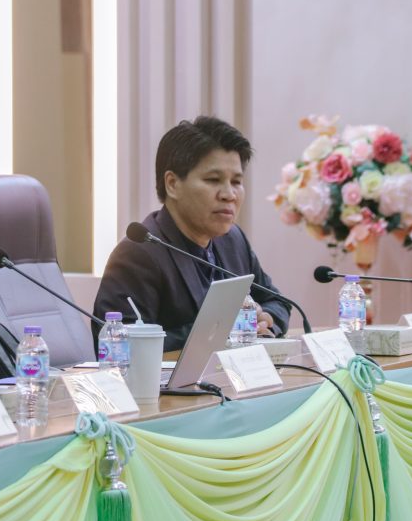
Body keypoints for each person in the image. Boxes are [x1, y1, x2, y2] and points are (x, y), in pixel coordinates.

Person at [93, 116, 290, 352]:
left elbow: (278, 302)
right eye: (213, 180)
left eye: (236, 181)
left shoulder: (233, 241)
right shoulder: (139, 253)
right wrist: (221, 330)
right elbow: (121, 344)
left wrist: (266, 318)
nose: (229, 194)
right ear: (172, 184)